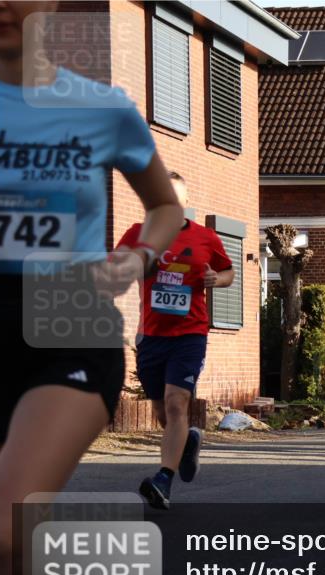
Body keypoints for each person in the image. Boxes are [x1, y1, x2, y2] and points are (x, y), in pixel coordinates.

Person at [0, 3, 184, 575]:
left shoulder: (102, 107)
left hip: (67, 322)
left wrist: (138, 257)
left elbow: (165, 205)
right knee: (15, 548)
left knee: (4, 525)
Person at [120, 173, 234, 509]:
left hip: (190, 333)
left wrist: (217, 278)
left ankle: (163, 481)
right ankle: (187, 441)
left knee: (175, 402)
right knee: (161, 410)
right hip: (152, 336)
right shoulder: (137, 234)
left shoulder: (205, 238)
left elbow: (228, 272)